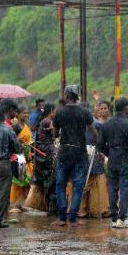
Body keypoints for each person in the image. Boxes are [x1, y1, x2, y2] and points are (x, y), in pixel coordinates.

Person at [53, 85, 97, 227]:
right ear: (77, 96)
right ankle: (72, 219)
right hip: (80, 152)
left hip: (64, 151)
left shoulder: (59, 112)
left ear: (66, 96)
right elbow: (94, 132)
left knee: (60, 184)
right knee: (78, 186)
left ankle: (61, 218)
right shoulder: (85, 112)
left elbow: (55, 134)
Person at [98, 98, 128, 228]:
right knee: (125, 188)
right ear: (125, 108)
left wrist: (109, 152)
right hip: (125, 157)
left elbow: (99, 144)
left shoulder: (106, 124)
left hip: (112, 158)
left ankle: (114, 219)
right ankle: (123, 218)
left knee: (113, 188)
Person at [32, 103, 57, 214]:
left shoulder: (43, 121)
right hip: (46, 154)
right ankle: (49, 207)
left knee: (45, 179)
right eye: (55, 111)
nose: (56, 113)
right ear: (51, 111)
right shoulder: (47, 122)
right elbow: (55, 133)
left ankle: (46, 205)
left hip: (42, 153)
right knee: (50, 179)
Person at [9, 107, 33, 213]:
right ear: (17, 115)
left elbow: (29, 142)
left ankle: (20, 204)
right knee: (19, 182)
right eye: (24, 113)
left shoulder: (26, 126)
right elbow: (12, 142)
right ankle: (15, 204)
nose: (26, 115)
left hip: (26, 157)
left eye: (27, 113)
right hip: (19, 158)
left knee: (26, 182)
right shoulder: (15, 127)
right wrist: (19, 143)